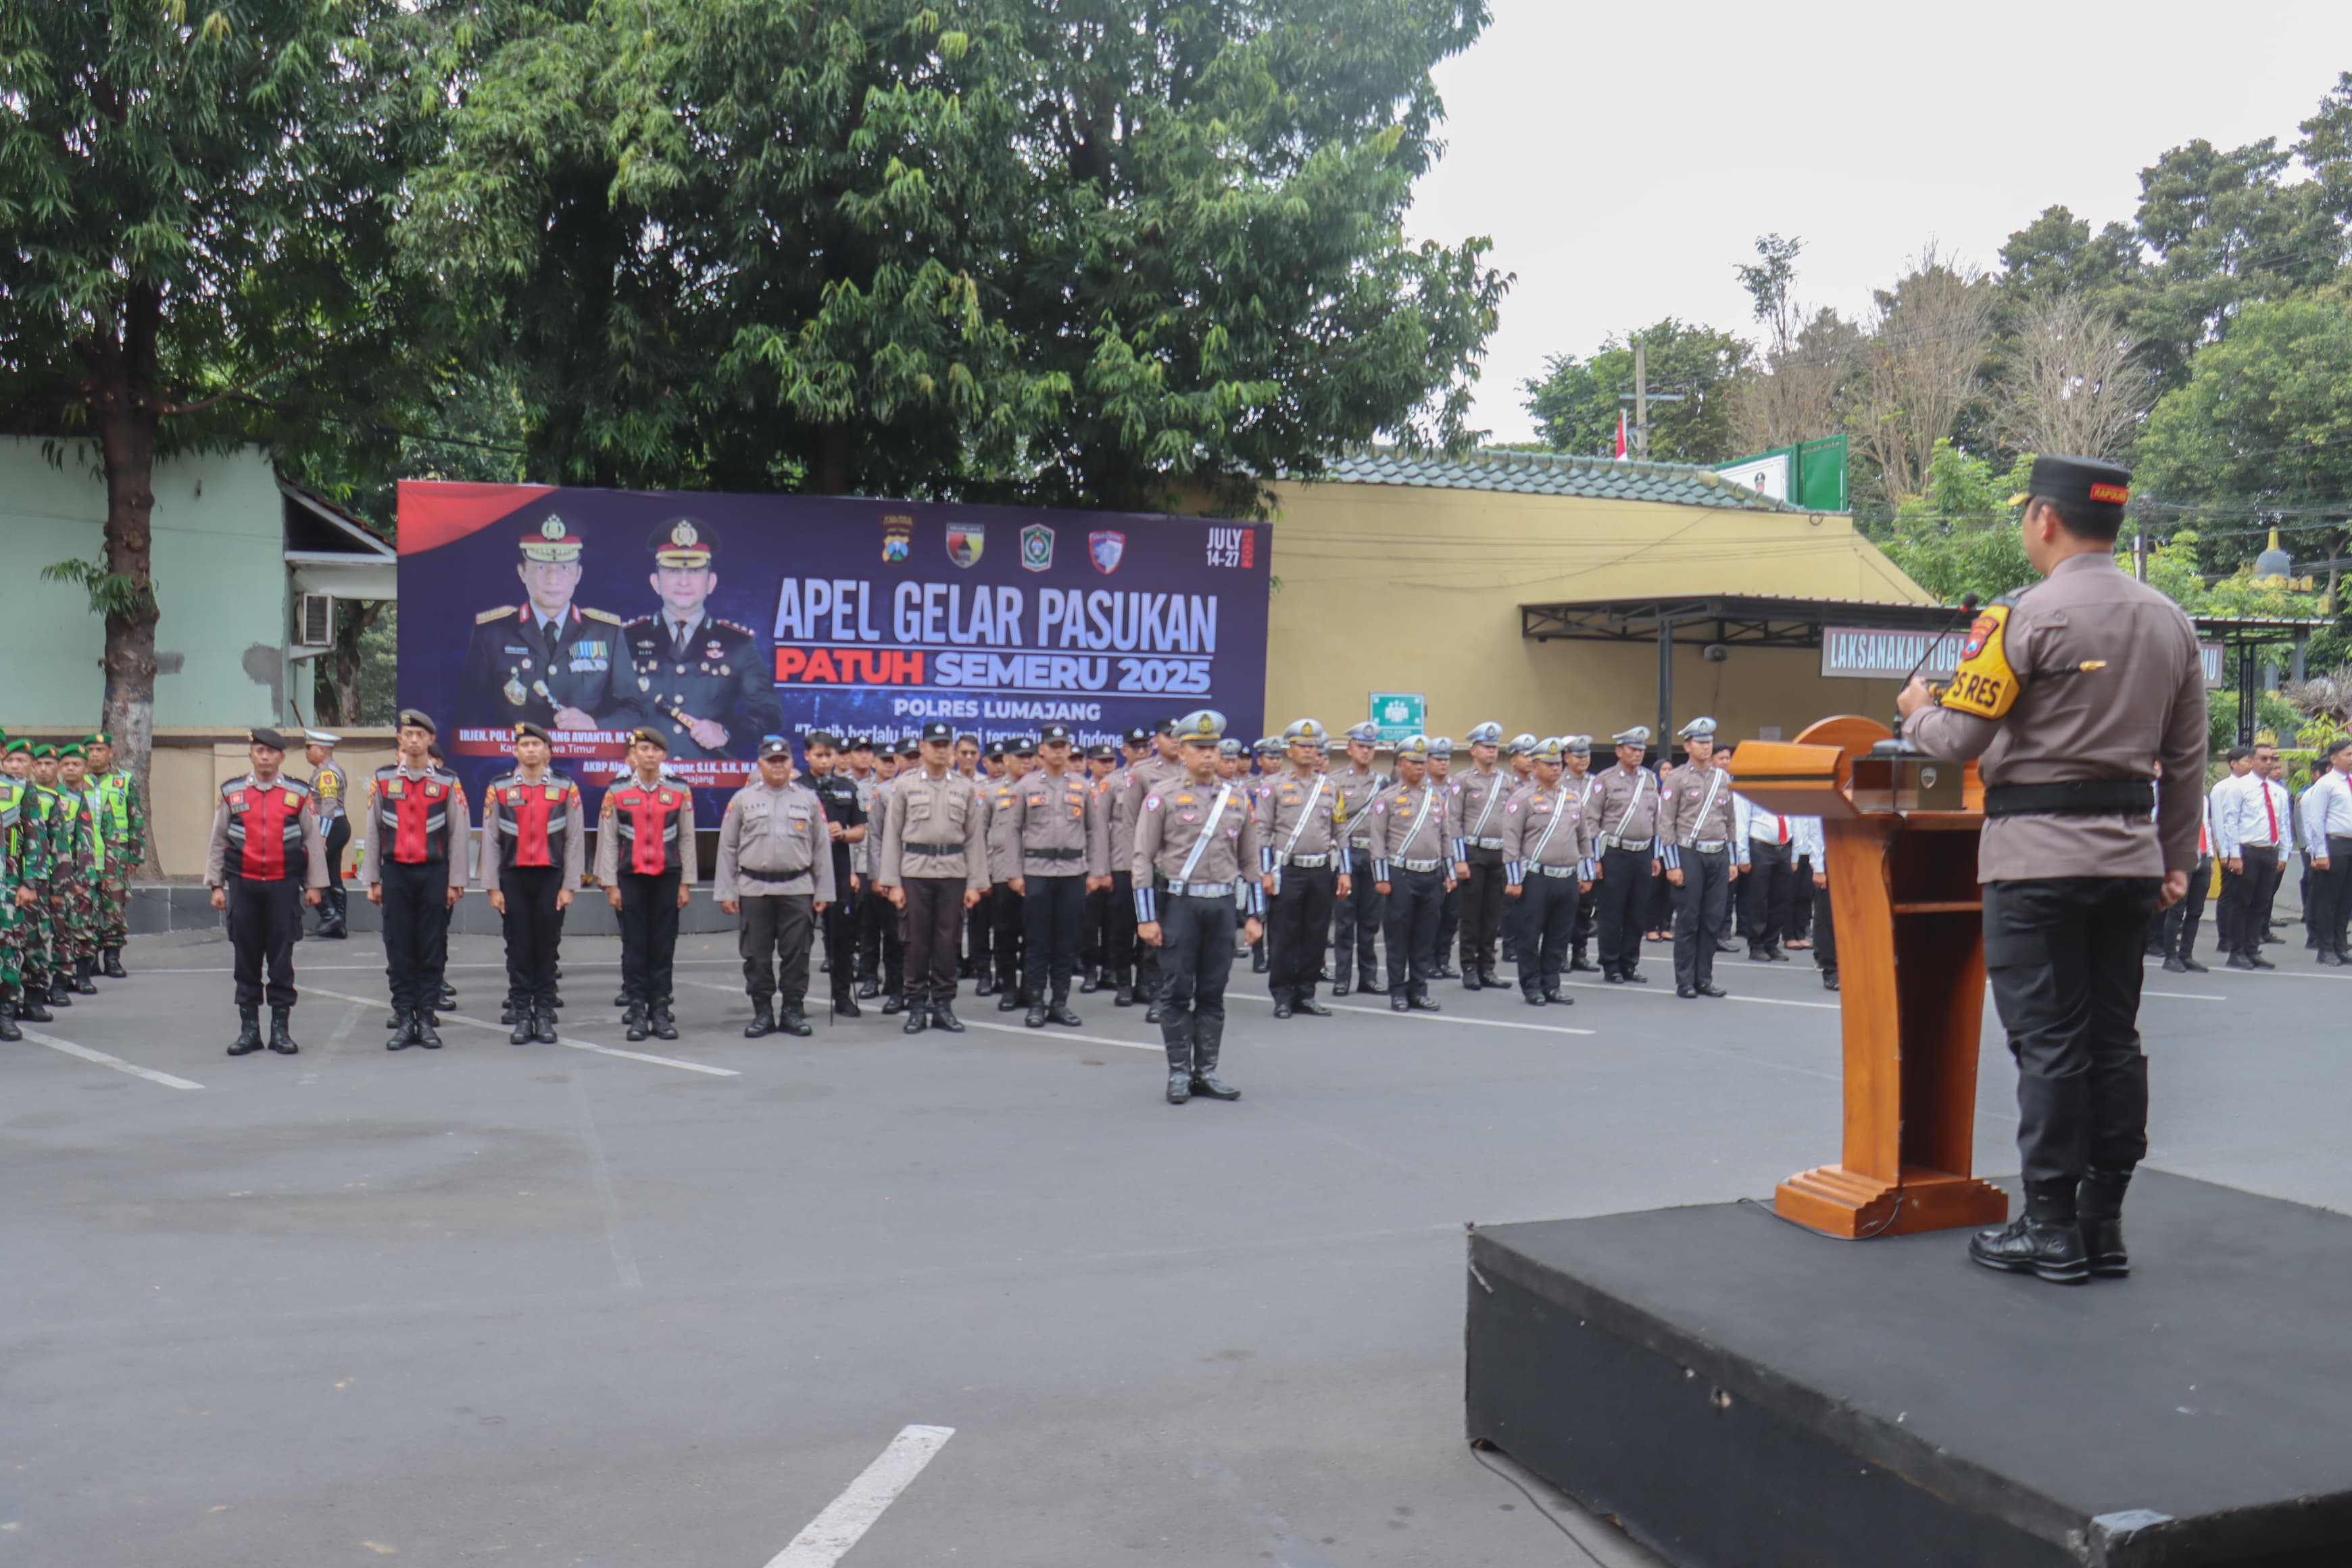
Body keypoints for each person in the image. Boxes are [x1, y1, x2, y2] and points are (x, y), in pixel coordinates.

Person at [1898, 452, 2206, 1285]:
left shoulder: (2022, 619)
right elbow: (2187, 757)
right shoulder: (2171, 620)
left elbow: (1960, 743)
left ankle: (2049, 1227)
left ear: (2043, 518)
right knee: (2113, 1039)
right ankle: (2102, 1223)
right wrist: (2175, 859)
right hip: (2129, 860)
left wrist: (1922, 711)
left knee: (2050, 1045)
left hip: (2034, 861)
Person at [1133, 709, 1264, 1103]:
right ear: (1182, 751)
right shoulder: (1163, 798)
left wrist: (1256, 914)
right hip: (1180, 906)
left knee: (1212, 991)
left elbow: (1251, 861)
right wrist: (1146, 917)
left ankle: (1207, 1070)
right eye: (1198, 748)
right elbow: (1142, 857)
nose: (1207, 755)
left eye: (1212, 748)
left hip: (1222, 906)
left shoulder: (1238, 798)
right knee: (1175, 991)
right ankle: (1178, 1073)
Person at [203, 728, 328, 1054]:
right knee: (245, 957)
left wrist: (315, 885)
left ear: (281, 757)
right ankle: (249, 1031)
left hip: (283, 887)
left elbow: (312, 841)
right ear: (251, 755)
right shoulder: (231, 792)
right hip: (243, 886)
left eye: (271, 752)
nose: (265, 757)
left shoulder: (299, 794)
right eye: (259, 751)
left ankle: (280, 1030)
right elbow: (219, 841)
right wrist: (216, 884)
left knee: (281, 958)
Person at [460, 512, 641, 735]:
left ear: (578, 574)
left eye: (564, 568)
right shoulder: (492, 633)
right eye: (541, 568)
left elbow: (634, 709)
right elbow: (469, 715)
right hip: (514, 763)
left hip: (584, 764)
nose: (552, 579)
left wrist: (595, 725)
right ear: (522, 573)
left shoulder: (606, 633)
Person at [622, 516, 783, 760]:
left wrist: (727, 732)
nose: (684, 581)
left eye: (695, 570)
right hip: (646, 778)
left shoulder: (737, 644)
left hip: (711, 783)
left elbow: (769, 714)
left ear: (711, 582)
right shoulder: (626, 639)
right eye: (673, 570)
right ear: (656, 582)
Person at [360, 710, 471, 1050]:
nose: (413, 740)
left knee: (431, 945)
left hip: (433, 873)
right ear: (400, 740)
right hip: (395, 873)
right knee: (398, 946)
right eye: (407, 734)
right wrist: (372, 878)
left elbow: (458, 834)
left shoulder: (448, 783)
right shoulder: (383, 780)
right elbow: (373, 831)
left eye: (420, 735)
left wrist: (456, 881)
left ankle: (426, 1019)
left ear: (430, 741)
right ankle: (404, 1018)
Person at [715, 735, 834, 1037]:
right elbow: (727, 848)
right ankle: (763, 1012)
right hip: (755, 888)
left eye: (783, 761)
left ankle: (793, 1011)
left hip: (797, 888)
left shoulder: (808, 799)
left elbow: (821, 848)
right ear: (761, 765)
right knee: (757, 955)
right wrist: (727, 891)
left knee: (798, 953)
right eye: (772, 761)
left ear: (792, 764)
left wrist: (824, 891)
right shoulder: (742, 799)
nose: (778, 766)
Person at [876, 720, 989, 1034]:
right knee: (914, 942)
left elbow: (974, 838)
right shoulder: (906, 786)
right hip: (915, 871)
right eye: (934, 744)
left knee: (947, 942)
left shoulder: (965, 788)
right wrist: (893, 883)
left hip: (953, 872)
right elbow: (891, 837)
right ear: (923, 748)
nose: (941, 750)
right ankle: (915, 1006)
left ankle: (943, 1005)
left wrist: (976, 883)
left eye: (945, 745)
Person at [479, 722, 585, 1044]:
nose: (530, 750)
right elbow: (491, 839)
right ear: (515, 751)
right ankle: (523, 1015)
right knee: (519, 947)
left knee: (547, 946)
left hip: (551, 877)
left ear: (547, 752)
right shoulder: (499, 788)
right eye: (524, 745)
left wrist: (569, 885)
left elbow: (574, 840)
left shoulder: (567, 788)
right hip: (513, 877)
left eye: (537, 745)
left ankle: (544, 1014)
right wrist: (492, 887)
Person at [595, 728, 698, 1042]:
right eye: (643, 749)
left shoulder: (680, 791)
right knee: (635, 946)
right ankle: (638, 1013)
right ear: (634, 755)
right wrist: (610, 884)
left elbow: (687, 837)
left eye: (655, 749)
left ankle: (661, 1012)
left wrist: (687, 882)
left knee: (663, 947)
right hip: (631, 879)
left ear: (664, 755)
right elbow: (609, 840)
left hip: (668, 878)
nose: (649, 755)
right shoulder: (617, 791)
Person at [1006, 722, 1110, 1027]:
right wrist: (1014, 873)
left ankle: (1060, 1002)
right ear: (1042, 750)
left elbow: (1095, 830)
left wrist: (1096, 872)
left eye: (1063, 746)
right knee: (1037, 941)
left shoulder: (1082, 786)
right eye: (1052, 745)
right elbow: (1012, 831)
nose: (1058, 751)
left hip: (1073, 872)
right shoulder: (1025, 786)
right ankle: (1036, 1002)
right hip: (1036, 871)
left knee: (1066, 941)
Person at [1258, 718, 1346, 1019]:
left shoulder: (1331, 787)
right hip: (1288, 870)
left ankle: (1307, 993)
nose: (1309, 751)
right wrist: (1265, 873)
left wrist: (1344, 872)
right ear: (1290, 750)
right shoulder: (1273, 787)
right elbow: (1262, 833)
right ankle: (1283, 995)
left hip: (1321, 870)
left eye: (1313, 746)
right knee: (1284, 934)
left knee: (1316, 934)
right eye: (1302, 746)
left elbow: (1340, 831)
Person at [1500, 737, 1595, 1005]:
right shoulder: (1522, 799)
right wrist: (1514, 880)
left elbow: (1584, 838)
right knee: (1530, 934)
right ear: (1535, 766)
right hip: (1535, 877)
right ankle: (1532, 985)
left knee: (1559, 934)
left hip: (1566, 877)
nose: (1555, 768)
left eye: (1557, 763)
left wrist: (1586, 872)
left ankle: (1552, 983)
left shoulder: (1572, 798)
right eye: (1548, 763)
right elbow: (1511, 842)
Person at [1371, 734, 1452, 1013]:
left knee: (1424, 936)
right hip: (1400, 875)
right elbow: (1378, 841)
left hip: (1431, 875)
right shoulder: (1387, 799)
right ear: (1401, 764)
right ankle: (1398, 991)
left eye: (1422, 762)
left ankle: (1419, 990)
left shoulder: (1436, 797)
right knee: (1398, 936)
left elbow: (1445, 836)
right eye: (1413, 762)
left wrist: (1449, 872)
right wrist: (1381, 877)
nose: (1419, 767)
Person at [1659, 718, 1740, 999]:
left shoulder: (1723, 778)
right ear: (1688, 745)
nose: (1706, 747)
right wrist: (1673, 864)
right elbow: (1666, 823)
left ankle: (1704, 977)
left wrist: (1732, 858)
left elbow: (1730, 821)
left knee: (1712, 919)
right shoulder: (1677, 778)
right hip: (1688, 853)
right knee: (1688, 920)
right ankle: (1685, 981)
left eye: (1709, 742)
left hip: (1717, 853)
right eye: (1700, 742)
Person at [1590, 727, 1663, 985]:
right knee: (1612, 910)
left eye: (1642, 750)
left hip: (1642, 851)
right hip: (1615, 852)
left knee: (1637, 910)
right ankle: (1611, 964)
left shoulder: (1650, 779)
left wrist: (1656, 854)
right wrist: (1594, 860)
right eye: (1633, 749)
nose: (1638, 754)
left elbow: (1656, 818)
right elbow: (1591, 821)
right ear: (1619, 751)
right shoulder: (1605, 780)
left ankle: (1630, 962)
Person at [802, 731, 866, 1017]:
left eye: (829, 755)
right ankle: (795, 1000)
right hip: (804, 874)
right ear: (807, 756)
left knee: (841, 939)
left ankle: (842, 996)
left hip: (838, 872)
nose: (825, 760)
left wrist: (843, 833)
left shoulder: (847, 787)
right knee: (800, 941)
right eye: (819, 755)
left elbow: (861, 830)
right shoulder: (797, 788)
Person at [1327, 722, 1390, 996]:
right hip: (1347, 853)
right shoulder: (1337, 782)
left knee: (1369, 921)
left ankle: (1369, 977)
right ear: (1350, 748)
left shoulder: (1384, 783)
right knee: (1344, 921)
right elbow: (1334, 821)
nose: (1366, 752)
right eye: (1361, 746)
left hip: (1373, 854)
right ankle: (1342, 978)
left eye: (1370, 747)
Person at [2214, 741, 2286, 971]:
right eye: (2263, 758)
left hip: (2269, 851)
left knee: (2261, 903)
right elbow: (2230, 822)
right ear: (2252, 760)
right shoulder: (2239, 787)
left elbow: (2283, 824)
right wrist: (2233, 854)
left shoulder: (2277, 791)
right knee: (2241, 902)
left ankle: (2252, 948)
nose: (2269, 762)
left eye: (2272, 758)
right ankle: (2236, 951)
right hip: (2247, 851)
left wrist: (2283, 852)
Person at [860, 738, 918, 1011]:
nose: (914, 761)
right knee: (894, 935)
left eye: (917, 756)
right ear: (898, 760)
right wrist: (878, 876)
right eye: (908, 757)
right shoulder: (884, 792)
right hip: (894, 873)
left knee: (922, 937)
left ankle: (919, 990)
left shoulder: (932, 788)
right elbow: (875, 838)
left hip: (924, 871)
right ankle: (897, 990)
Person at [84, 731, 142, 975]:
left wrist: (135, 855)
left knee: (114, 908)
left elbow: (135, 818)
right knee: (85, 907)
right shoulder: (76, 780)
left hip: (115, 857)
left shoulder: (125, 780)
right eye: (91, 750)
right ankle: (88, 960)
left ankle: (112, 958)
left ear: (110, 752)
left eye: (100, 750)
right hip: (84, 855)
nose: (95, 754)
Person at [49, 745, 103, 996]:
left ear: (85, 768)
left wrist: (86, 876)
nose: (71, 768)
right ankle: (61, 978)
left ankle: (83, 975)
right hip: (55, 873)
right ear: (60, 769)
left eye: (76, 764)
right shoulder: (51, 795)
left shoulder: (89, 796)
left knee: (85, 925)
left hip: (80, 873)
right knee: (60, 928)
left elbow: (87, 839)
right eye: (66, 764)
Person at [2301, 738, 2352, 964]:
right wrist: (2319, 852)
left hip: (2350, 844)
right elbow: (2316, 819)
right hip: (2334, 844)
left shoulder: (2349, 782)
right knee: (2329, 899)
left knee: (2345, 900)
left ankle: (2341, 946)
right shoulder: (2326, 783)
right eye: (2348, 754)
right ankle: (2325, 948)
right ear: (2334, 758)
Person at [1734, 787, 1794, 962]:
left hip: (1784, 847)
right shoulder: (1751, 790)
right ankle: (1757, 944)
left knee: (1780, 898)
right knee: (1759, 899)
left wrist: (1795, 853)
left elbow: (1793, 819)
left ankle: (1772, 943)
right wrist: (1743, 855)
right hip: (1760, 846)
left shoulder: (1786, 790)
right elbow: (1742, 823)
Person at [302, 730, 351, 938]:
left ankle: (330, 916)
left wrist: (322, 836)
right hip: (337, 825)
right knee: (332, 873)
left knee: (313, 869)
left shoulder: (326, 774)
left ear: (321, 750)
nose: (306, 752)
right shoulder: (328, 770)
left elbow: (329, 805)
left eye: (309, 747)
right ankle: (337, 925)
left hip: (330, 825)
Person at [1562, 737, 1604, 973]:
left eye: (1586, 755)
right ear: (1567, 758)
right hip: (1565, 850)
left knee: (1584, 907)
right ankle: (1559, 955)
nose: (1584, 760)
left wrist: (1596, 859)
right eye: (1578, 756)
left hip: (1589, 852)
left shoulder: (1597, 783)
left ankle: (1580, 953)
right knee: (1563, 907)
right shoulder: (1559, 782)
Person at [1790, 815, 1836, 991]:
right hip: (1828, 855)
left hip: (1853, 854)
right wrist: (1818, 868)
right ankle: (1830, 967)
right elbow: (1817, 832)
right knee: (1826, 914)